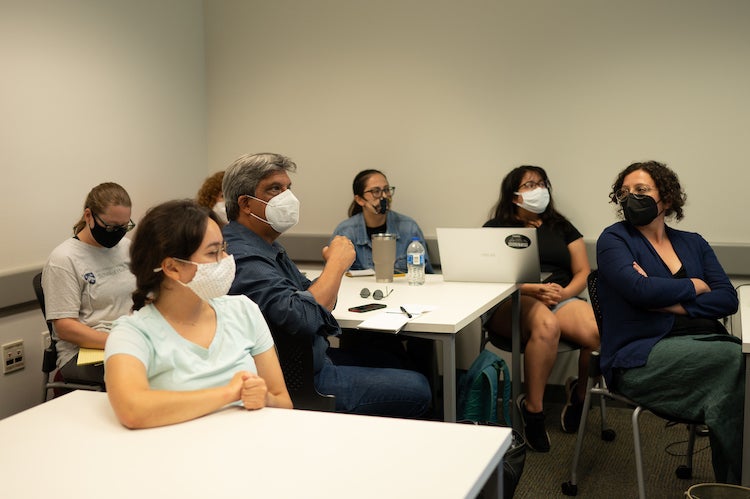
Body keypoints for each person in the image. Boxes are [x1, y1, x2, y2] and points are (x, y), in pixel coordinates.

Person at [221, 152, 432, 417]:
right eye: (275, 189)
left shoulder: (266, 245)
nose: (287, 197)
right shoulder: (241, 254)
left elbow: (317, 300)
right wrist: (335, 265)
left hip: (313, 360)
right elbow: (305, 316)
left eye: (288, 188)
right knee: (418, 387)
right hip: (301, 379)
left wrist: (328, 277)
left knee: (395, 359)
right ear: (246, 204)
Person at [597, 160, 742, 483]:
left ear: (668, 198)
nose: (630, 198)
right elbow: (639, 290)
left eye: (641, 190)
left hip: (704, 344)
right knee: (736, 363)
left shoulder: (694, 243)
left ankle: (735, 482)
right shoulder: (614, 240)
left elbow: (727, 300)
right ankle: (736, 483)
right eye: (624, 192)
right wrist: (693, 285)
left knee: (740, 371)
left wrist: (671, 306)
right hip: (639, 355)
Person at [104, 199, 292, 429]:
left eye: (224, 249)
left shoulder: (244, 310)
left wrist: (265, 398)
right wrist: (229, 394)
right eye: (213, 252)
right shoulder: (133, 333)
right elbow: (132, 409)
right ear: (172, 268)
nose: (226, 260)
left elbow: (283, 402)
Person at [483, 165, 600, 452]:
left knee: (597, 333)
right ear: (514, 196)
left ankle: (580, 396)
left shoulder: (562, 226)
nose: (538, 189)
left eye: (542, 183)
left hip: (560, 297)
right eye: (529, 185)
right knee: (547, 325)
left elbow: (583, 270)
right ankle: (533, 409)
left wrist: (563, 293)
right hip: (513, 299)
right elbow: (487, 274)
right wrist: (532, 290)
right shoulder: (495, 229)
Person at [42, 182, 136, 386]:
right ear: (88, 216)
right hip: (83, 354)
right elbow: (65, 328)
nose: (118, 233)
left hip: (128, 339)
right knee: (143, 372)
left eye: (124, 226)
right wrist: (116, 342)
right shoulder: (64, 259)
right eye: (110, 227)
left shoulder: (127, 248)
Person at [332, 169, 433, 273]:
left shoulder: (409, 228)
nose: (384, 196)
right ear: (360, 200)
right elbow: (332, 278)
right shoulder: (345, 233)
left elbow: (426, 275)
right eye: (376, 191)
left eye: (386, 190)